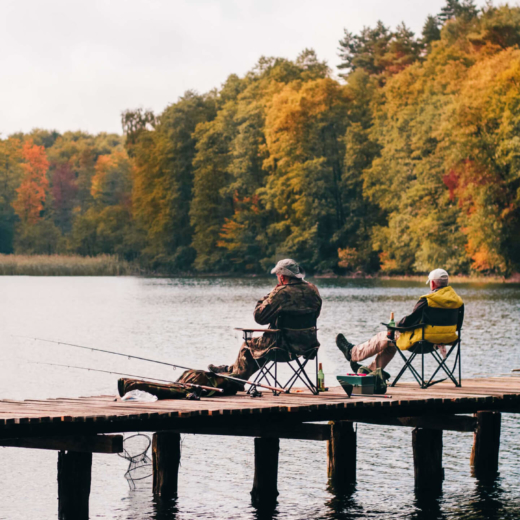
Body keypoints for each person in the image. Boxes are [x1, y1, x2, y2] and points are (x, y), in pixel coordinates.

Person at [208, 258, 322, 380]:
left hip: (283, 346)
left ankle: (236, 379)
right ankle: (230, 371)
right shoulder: (313, 289)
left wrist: (269, 295)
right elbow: (316, 314)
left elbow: (259, 317)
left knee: (249, 345)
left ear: (282, 277)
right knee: (263, 347)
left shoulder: (280, 292)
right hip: (307, 345)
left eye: (278, 276)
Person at [336, 268, 464, 373]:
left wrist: (397, 325)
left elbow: (408, 322)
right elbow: (458, 326)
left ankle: (353, 353)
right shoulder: (458, 302)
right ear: (446, 283)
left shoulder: (428, 300)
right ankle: (370, 372)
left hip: (421, 342)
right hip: (443, 342)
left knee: (386, 336)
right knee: (391, 343)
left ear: (432, 283)